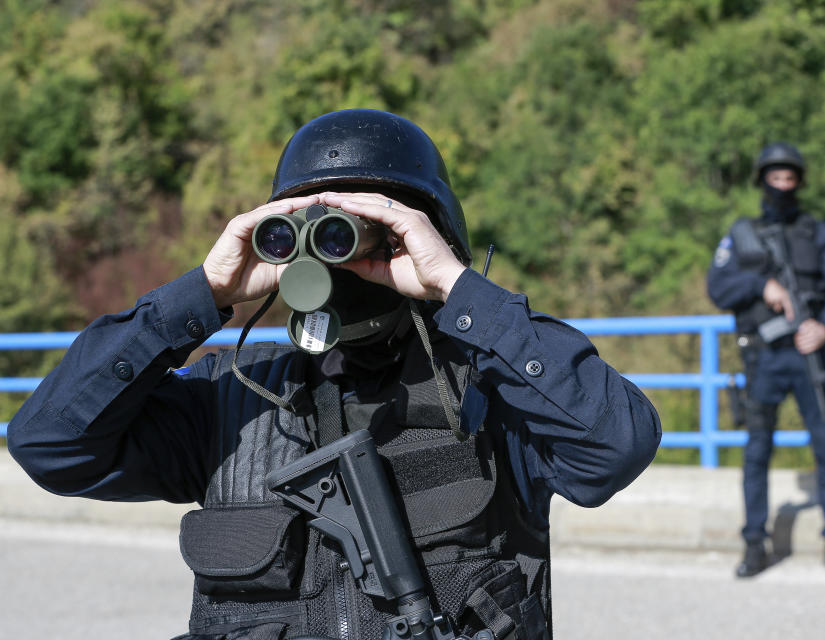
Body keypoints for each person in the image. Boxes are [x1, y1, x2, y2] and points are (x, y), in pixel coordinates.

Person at [7, 109, 662, 640]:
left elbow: (615, 444)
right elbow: (51, 446)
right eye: (313, 229)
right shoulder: (229, 400)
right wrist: (201, 296)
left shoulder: (491, 390)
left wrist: (460, 292)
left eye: (364, 227)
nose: (339, 255)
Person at [707, 142, 825, 578]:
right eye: (774, 178)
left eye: (789, 178)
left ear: (799, 181)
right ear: (762, 181)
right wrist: (762, 287)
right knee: (757, 451)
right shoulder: (742, 233)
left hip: (809, 354)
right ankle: (754, 544)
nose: (782, 185)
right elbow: (718, 287)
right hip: (763, 358)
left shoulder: (817, 232)